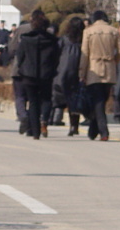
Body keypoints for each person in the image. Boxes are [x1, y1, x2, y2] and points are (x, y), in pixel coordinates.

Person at [15, 9, 58, 139]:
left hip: (28, 75)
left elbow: (20, 57)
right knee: (46, 99)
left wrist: (22, 69)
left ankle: (35, 132)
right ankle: (44, 120)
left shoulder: (26, 39)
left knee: (33, 102)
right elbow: (56, 57)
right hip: (46, 74)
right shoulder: (52, 40)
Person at [80, 9, 120, 141]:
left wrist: (81, 72)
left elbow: (84, 54)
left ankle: (104, 131)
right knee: (101, 100)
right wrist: (114, 61)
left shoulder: (88, 31)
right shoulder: (114, 31)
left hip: (94, 68)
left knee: (97, 101)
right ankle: (94, 130)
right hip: (109, 68)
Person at [51, 15, 86, 136]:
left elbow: (56, 54)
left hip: (62, 72)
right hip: (77, 72)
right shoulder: (83, 41)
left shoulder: (64, 40)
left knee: (58, 97)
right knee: (74, 100)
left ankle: (55, 118)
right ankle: (74, 126)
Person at [6, 16, 33, 134]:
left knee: (20, 96)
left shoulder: (20, 29)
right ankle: (31, 120)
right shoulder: (41, 29)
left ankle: (23, 115)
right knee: (33, 97)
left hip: (18, 67)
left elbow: (11, 48)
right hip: (34, 68)